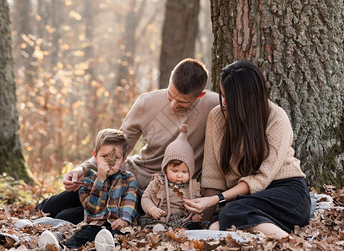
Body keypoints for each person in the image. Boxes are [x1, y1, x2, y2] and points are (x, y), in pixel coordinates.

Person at [36, 58, 220, 223]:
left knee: (65, 217)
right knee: (52, 205)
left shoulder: (213, 107)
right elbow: (116, 147)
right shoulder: (146, 102)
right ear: (170, 79)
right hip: (122, 176)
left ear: (200, 96)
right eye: (170, 96)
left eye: (182, 103)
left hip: (152, 195)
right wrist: (82, 169)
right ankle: (27, 223)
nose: (173, 105)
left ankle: (52, 226)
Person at [183, 61, 311, 238]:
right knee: (216, 225)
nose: (225, 102)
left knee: (231, 214)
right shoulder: (217, 117)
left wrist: (215, 200)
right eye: (222, 95)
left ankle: (292, 246)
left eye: (230, 98)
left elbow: (262, 179)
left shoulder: (276, 118)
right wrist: (202, 213)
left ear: (247, 98)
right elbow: (213, 178)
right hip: (243, 201)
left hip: (285, 193)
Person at [38, 129, 138, 251]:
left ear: (124, 160)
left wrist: (124, 219)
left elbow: (130, 201)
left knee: (116, 235)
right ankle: (62, 249)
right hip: (96, 222)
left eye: (116, 158)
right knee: (82, 235)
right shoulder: (88, 182)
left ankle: (105, 247)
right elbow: (92, 208)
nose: (110, 162)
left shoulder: (128, 179)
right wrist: (100, 181)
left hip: (116, 223)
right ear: (95, 156)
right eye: (104, 157)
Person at [140, 124, 202, 230]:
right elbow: (145, 198)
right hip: (162, 218)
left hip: (184, 220)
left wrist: (196, 214)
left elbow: (198, 204)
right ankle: (159, 232)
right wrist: (151, 209)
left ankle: (189, 235)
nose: (179, 175)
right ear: (165, 168)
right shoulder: (158, 182)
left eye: (184, 172)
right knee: (156, 227)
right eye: (174, 171)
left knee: (194, 227)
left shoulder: (193, 187)